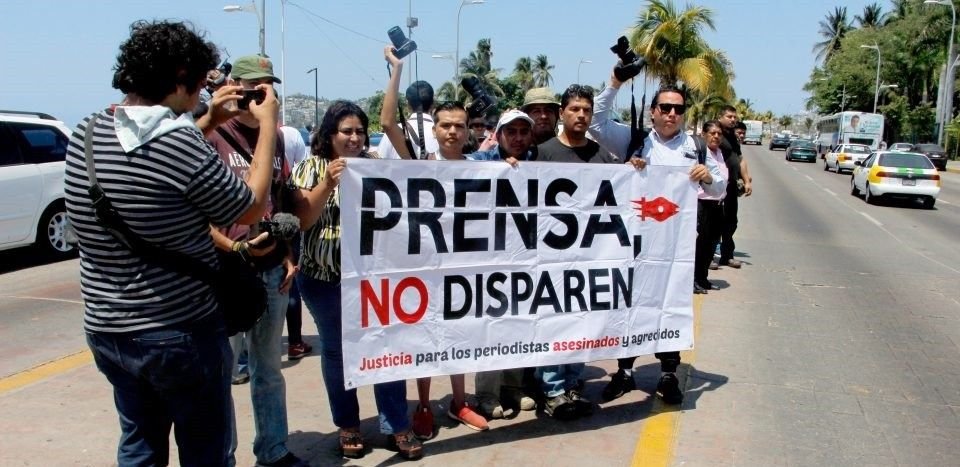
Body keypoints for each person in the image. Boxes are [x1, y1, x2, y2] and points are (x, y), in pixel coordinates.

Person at [65, 20, 278, 466]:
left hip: (107, 328)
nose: (204, 90)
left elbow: (150, 168)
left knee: (140, 445)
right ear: (181, 77)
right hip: (178, 331)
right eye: (201, 81)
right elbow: (249, 206)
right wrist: (268, 125)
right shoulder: (179, 142)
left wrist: (208, 120)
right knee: (205, 451)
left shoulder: (85, 132)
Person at [290, 100, 423, 460]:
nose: (354, 138)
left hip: (373, 282)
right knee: (337, 351)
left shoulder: (375, 166)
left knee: (386, 349)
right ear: (329, 134)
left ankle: (396, 424)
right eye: (346, 131)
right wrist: (327, 183)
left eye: (360, 132)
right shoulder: (309, 168)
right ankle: (348, 424)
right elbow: (303, 220)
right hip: (325, 280)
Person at [588, 63, 725, 405]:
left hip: (676, 247)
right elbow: (596, 122)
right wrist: (615, 82)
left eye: (678, 109)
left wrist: (707, 176)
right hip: (634, 244)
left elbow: (721, 187)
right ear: (653, 111)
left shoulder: (695, 146)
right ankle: (624, 371)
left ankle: (668, 374)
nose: (671, 114)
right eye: (665, 108)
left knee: (671, 304)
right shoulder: (634, 140)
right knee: (631, 305)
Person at [381, 46, 489, 436]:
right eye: (445, 125)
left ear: (469, 129)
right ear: (435, 128)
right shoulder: (420, 163)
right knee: (424, 337)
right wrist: (397, 69)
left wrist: (512, 166)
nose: (453, 132)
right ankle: (424, 405)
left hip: (464, 269)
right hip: (424, 267)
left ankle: (460, 402)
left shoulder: (482, 168)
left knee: (460, 336)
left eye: (459, 125)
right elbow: (388, 122)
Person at [204, 54, 306, 467]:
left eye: (268, 87)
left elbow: (280, 199)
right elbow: (197, 215)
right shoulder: (211, 135)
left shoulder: (275, 137)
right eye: (254, 87)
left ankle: (273, 449)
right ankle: (220, 456)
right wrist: (236, 250)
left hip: (270, 269)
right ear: (235, 88)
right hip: (224, 271)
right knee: (222, 372)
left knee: (268, 368)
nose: (262, 95)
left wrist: (287, 254)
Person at [528, 84, 624, 420]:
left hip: (588, 259)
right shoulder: (542, 153)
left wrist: (638, 170)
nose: (581, 115)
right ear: (562, 113)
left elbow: (624, 192)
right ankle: (552, 391)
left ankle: (572, 385)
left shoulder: (601, 156)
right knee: (554, 324)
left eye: (586, 110)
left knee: (582, 323)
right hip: (550, 259)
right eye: (574, 109)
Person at [468, 109, 539, 419]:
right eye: (512, 132)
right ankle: (486, 392)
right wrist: (496, 170)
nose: (518, 138)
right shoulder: (482, 160)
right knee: (491, 324)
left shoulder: (536, 161)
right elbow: (459, 170)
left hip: (523, 257)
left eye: (524, 132)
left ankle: (513, 387)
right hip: (488, 259)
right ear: (498, 135)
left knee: (519, 321)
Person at [279, 125, 312, 360]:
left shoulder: (281, 135)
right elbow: (301, 171)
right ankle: (295, 342)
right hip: (289, 216)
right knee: (291, 283)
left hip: (275, 215)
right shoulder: (291, 134)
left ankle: (242, 357)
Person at [694, 121, 729, 294]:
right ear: (704, 134)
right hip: (703, 203)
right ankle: (694, 280)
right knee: (700, 245)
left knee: (711, 245)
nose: (716, 136)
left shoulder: (719, 153)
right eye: (712, 133)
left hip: (718, 204)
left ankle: (703, 278)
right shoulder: (700, 152)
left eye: (719, 134)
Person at [717, 105, 752, 270]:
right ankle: (707, 257)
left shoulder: (732, 136)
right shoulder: (715, 133)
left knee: (731, 222)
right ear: (720, 117)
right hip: (715, 186)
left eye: (734, 117)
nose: (733, 120)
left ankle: (727, 256)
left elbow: (740, 159)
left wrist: (746, 181)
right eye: (729, 116)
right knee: (713, 222)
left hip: (731, 186)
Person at [377, 80, 439, 159]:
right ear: (433, 104)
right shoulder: (443, 132)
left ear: (408, 105)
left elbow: (381, 160)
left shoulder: (393, 132)